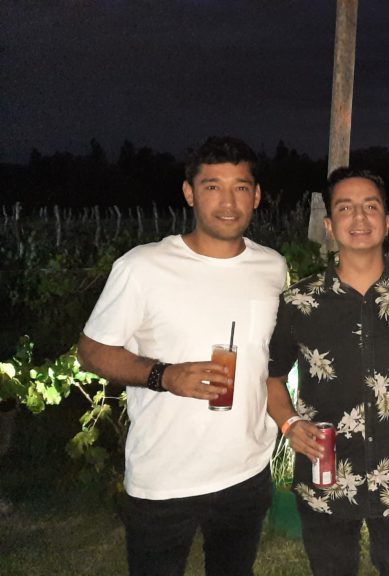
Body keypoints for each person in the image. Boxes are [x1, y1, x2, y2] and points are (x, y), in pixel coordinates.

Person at [78, 136, 287, 575]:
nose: (228, 202)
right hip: (164, 477)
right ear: (189, 193)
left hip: (246, 471)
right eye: (212, 187)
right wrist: (165, 375)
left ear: (257, 196)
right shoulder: (142, 267)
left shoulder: (272, 266)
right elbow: (92, 352)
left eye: (241, 187)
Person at [265, 170, 389, 575]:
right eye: (345, 208)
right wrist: (289, 423)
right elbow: (271, 376)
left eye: (370, 207)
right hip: (325, 475)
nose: (359, 217)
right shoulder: (299, 301)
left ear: (388, 221)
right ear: (329, 225)